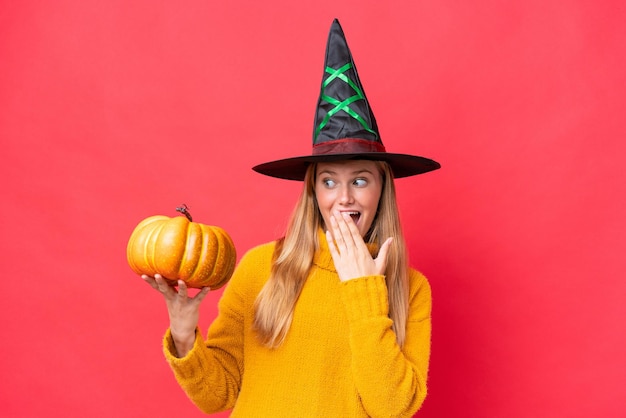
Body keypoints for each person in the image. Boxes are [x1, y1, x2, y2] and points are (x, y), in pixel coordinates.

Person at [142, 19, 440, 417]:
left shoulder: (410, 289)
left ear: (382, 188)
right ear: (314, 193)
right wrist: (182, 334)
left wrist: (363, 290)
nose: (344, 197)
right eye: (329, 181)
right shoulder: (259, 268)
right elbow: (219, 395)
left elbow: (391, 407)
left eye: (361, 180)